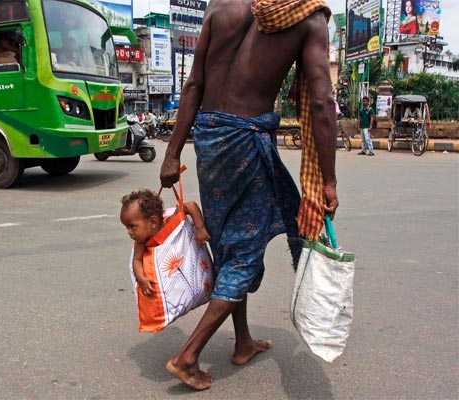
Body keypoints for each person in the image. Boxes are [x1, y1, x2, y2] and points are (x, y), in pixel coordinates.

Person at [159, 0, 338, 390]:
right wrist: (328, 181)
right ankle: (187, 357)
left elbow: (194, 84)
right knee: (243, 251)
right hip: (247, 138)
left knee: (228, 241)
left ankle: (242, 342)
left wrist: (172, 152)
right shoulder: (307, 16)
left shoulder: (220, 5)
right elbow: (322, 103)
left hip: (209, 136)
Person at [120, 189, 211, 298]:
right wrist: (141, 279)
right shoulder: (141, 242)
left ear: (153, 222)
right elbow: (137, 260)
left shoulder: (169, 223)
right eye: (127, 227)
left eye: (132, 226)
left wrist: (200, 228)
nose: (129, 232)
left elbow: (190, 206)